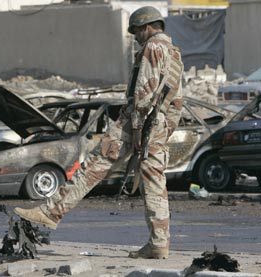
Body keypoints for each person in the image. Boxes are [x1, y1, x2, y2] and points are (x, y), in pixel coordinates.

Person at [14, 6, 183, 260]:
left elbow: (142, 94)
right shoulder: (175, 54)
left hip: (136, 125)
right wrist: (163, 130)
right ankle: (159, 243)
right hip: (157, 127)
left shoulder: (151, 48)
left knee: (93, 166)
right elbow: (177, 102)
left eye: (137, 31)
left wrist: (137, 129)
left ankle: (51, 212)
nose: (136, 36)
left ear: (147, 27)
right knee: (155, 185)